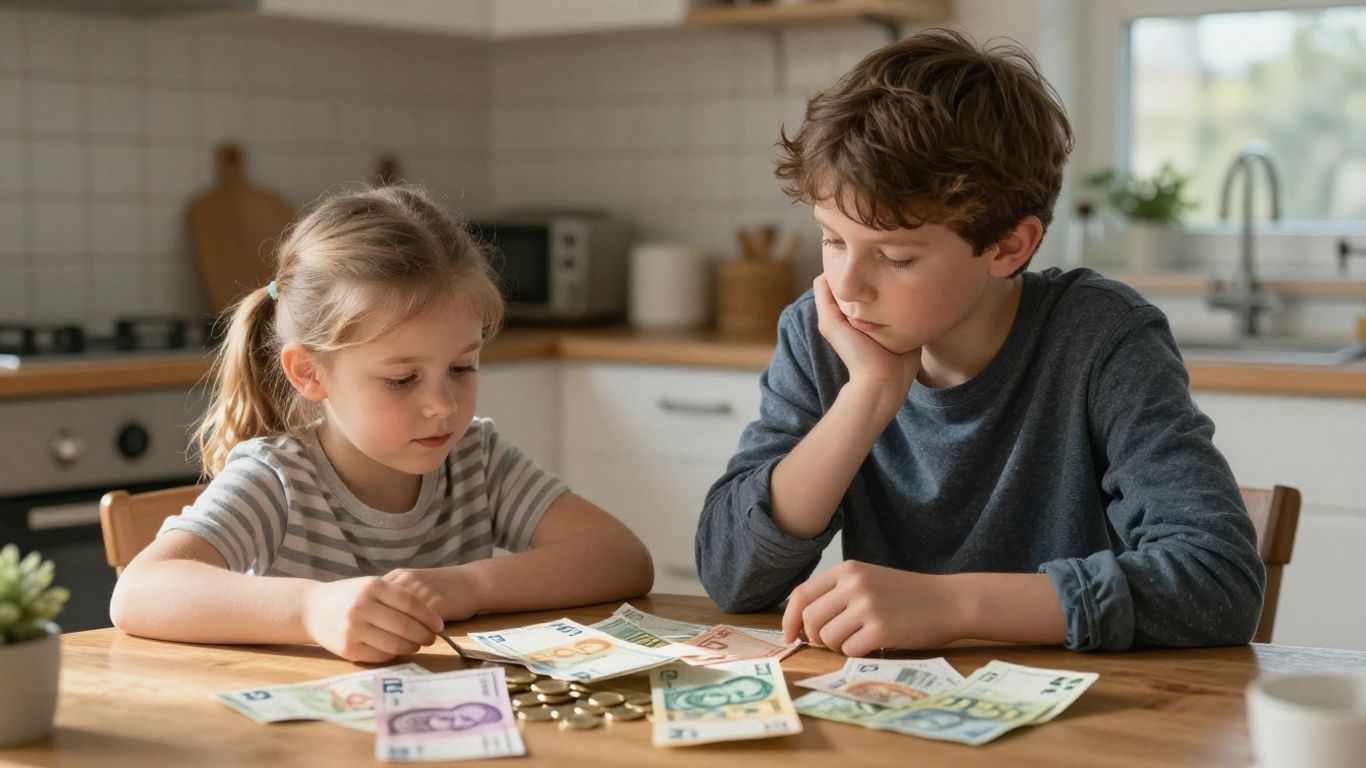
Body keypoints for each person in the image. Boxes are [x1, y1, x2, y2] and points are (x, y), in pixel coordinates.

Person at [695, 29, 1264, 655]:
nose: (847, 285)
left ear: (1009, 246)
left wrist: (953, 605)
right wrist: (870, 394)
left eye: (896, 257)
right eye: (832, 240)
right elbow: (731, 575)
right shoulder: (821, 334)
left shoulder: (1101, 337)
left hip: (1086, 712)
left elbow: (1218, 583)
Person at [111, 183, 653, 662]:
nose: (442, 405)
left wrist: (471, 586)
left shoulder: (477, 460)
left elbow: (622, 557)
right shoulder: (278, 479)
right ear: (310, 373)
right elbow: (140, 591)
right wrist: (309, 609)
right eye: (401, 380)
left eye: (461, 367)